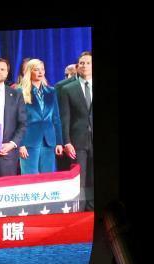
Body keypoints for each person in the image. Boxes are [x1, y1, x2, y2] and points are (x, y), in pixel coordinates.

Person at [58, 50, 94, 206]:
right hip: (77, 141)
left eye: (88, 63)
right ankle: (79, 208)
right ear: (77, 66)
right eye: (82, 63)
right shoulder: (68, 89)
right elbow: (65, 117)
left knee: (94, 177)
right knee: (80, 177)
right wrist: (66, 141)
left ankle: (93, 208)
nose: (84, 66)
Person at [17, 59, 63, 175]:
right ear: (29, 72)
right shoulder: (20, 92)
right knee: (30, 176)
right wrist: (20, 144)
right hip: (28, 141)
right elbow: (17, 120)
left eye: (42, 69)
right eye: (36, 69)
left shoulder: (51, 91)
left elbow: (56, 119)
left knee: (48, 176)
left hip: (49, 140)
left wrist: (59, 142)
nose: (40, 72)